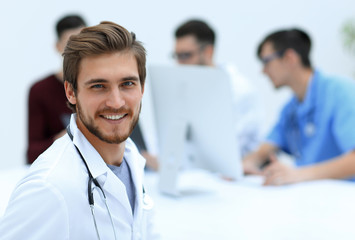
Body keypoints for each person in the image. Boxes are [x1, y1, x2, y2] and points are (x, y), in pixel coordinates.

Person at [0, 21, 158, 239]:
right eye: (98, 86)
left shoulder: (132, 160)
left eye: (127, 84)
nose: (116, 101)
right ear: (71, 92)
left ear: (142, 88)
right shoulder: (49, 188)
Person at [243, 28, 355, 186]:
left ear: (290, 58)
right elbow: (267, 148)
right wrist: (248, 163)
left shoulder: (341, 92)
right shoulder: (290, 109)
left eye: (266, 61)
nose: (263, 71)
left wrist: (298, 174)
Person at [173, 19, 262, 156]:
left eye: (186, 55)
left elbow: (227, 148)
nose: (180, 64)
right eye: (177, 56)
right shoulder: (187, 89)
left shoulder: (239, 89)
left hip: (240, 172)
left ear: (208, 51)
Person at [27, 14, 86, 164]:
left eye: (84, 43)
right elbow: (31, 153)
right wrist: (66, 137)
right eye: (71, 45)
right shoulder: (40, 90)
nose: (79, 51)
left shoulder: (102, 85)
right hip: (59, 167)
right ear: (58, 47)